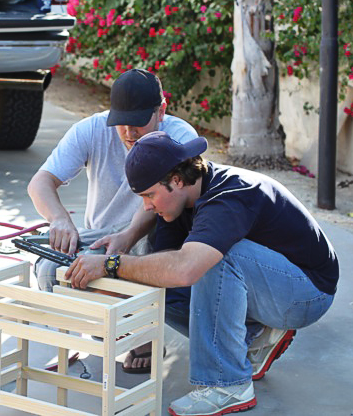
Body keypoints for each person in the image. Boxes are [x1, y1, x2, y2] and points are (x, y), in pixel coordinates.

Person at [65, 132, 338, 416]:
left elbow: (186, 269)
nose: (146, 206)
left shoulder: (229, 196)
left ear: (177, 180)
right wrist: (113, 283)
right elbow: (164, 273)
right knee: (160, 278)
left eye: (149, 195)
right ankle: (255, 333)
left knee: (212, 258)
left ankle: (227, 385)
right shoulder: (179, 204)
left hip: (308, 293)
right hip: (268, 286)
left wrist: (113, 265)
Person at [28, 69, 198, 373]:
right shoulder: (91, 129)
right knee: (49, 267)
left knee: (155, 259)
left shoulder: (182, 136)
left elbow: (175, 203)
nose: (129, 133)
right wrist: (60, 219)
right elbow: (40, 183)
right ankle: (89, 329)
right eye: (121, 123)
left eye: (137, 124)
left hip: (156, 233)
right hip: (101, 235)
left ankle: (142, 335)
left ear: (161, 111)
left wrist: (129, 237)